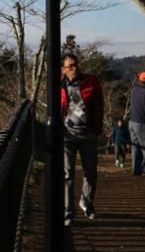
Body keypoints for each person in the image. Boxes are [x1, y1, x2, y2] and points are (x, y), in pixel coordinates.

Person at [61, 53, 103, 226]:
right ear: (63, 69)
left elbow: (99, 105)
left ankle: (86, 202)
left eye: (76, 64)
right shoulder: (58, 85)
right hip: (66, 135)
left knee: (91, 173)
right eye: (70, 66)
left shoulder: (91, 81)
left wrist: (97, 129)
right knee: (67, 174)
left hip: (87, 133)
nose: (74, 68)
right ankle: (68, 212)